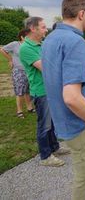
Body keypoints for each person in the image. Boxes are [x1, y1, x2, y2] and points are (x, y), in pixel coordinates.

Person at [41, 0, 85, 200]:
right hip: (81, 125)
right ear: (81, 14)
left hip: (64, 121)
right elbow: (71, 97)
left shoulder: (51, 38)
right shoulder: (74, 42)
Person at [19, 17, 69, 167]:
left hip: (50, 89)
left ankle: (55, 147)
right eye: (42, 27)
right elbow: (47, 67)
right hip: (41, 91)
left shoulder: (41, 44)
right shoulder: (26, 48)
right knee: (44, 125)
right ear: (33, 29)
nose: (46, 30)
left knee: (52, 122)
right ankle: (45, 156)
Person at [0, 29, 35, 118]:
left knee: (28, 90)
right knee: (20, 91)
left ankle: (29, 107)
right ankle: (19, 111)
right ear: (22, 37)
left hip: (29, 71)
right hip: (18, 71)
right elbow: (2, 50)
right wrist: (10, 59)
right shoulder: (15, 44)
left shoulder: (30, 45)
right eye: (28, 36)